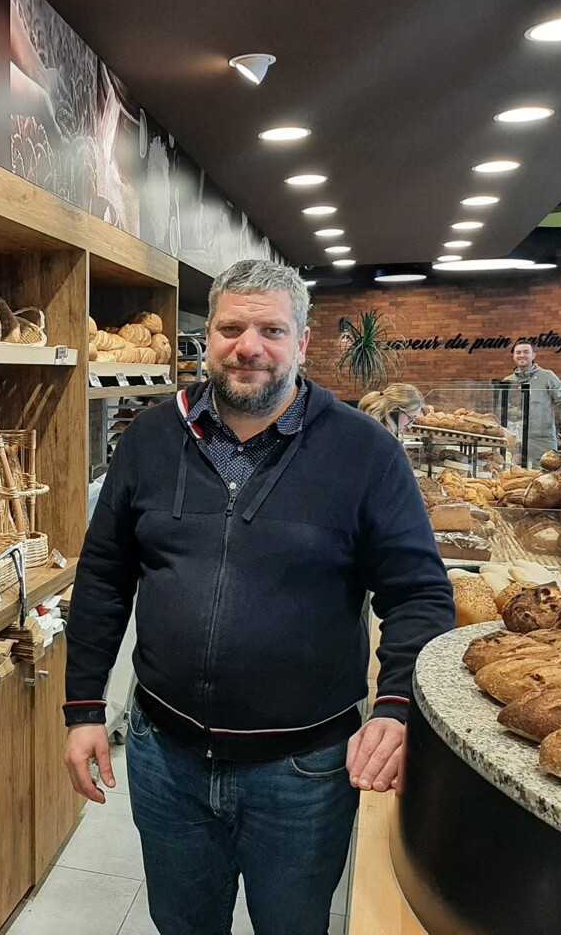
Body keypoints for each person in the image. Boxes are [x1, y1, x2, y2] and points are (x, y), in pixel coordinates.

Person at [63, 260, 454, 935]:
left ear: (302, 342)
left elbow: (418, 593)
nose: (249, 347)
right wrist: (84, 707)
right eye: (231, 329)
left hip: (304, 770)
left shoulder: (364, 453)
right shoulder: (151, 439)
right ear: (208, 338)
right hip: (164, 757)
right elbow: (103, 575)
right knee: (182, 924)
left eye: (271, 330)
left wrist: (396, 706)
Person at [506, 340, 561, 466]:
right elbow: (504, 409)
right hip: (516, 442)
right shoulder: (507, 381)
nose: (522, 355)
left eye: (526, 352)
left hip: (542, 440)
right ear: (513, 356)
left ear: (533, 356)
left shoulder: (548, 376)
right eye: (518, 352)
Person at [358, 383, 425, 437]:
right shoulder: (380, 437)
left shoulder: (366, 424)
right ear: (394, 410)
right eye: (410, 418)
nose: (409, 426)